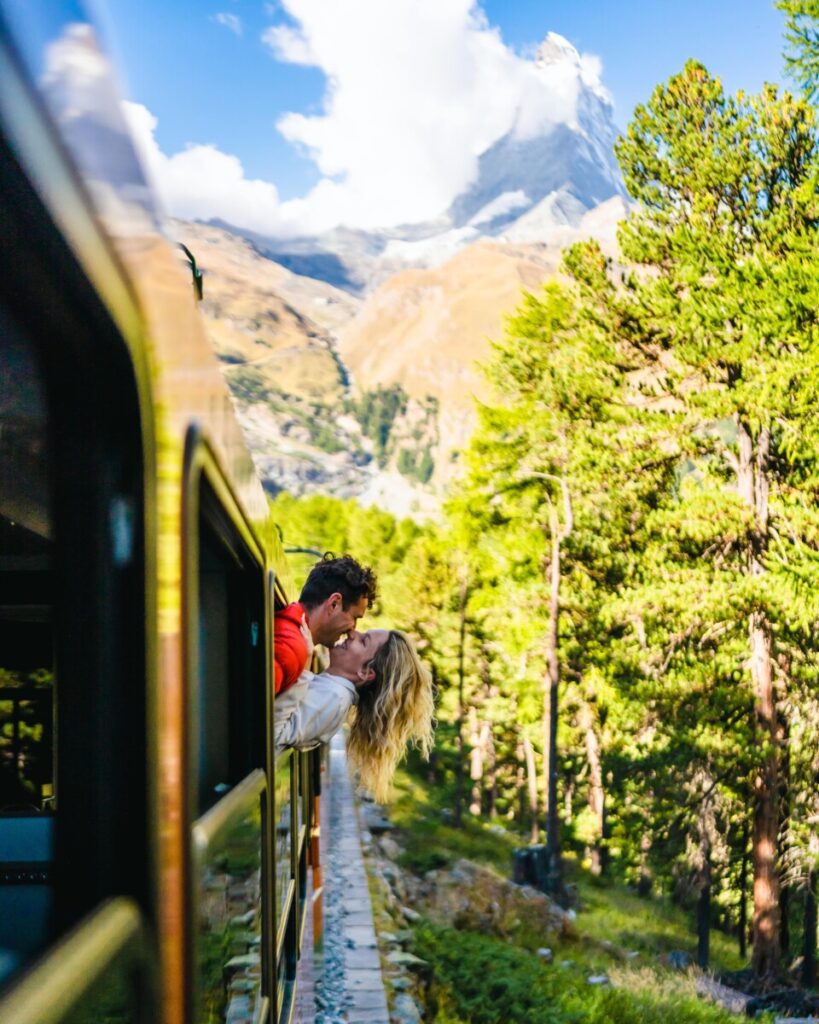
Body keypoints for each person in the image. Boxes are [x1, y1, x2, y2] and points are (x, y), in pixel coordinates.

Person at [274, 628, 435, 801]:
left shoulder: (335, 697)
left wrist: (303, 666)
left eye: (363, 641)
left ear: (365, 672)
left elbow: (274, 735)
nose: (352, 633)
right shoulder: (333, 690)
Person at [275, 553, 377, 695]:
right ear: (334, 604)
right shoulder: (291, 648)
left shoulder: (291, 629)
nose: (353, 630)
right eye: (354, 617)